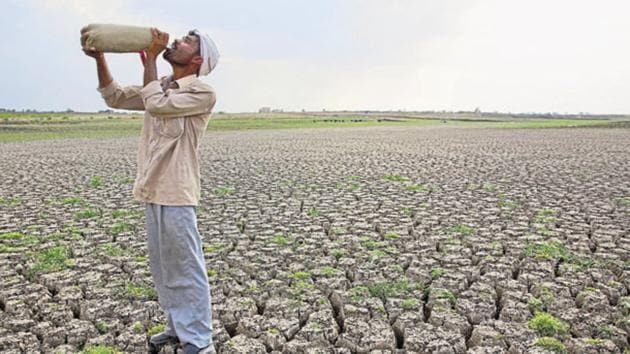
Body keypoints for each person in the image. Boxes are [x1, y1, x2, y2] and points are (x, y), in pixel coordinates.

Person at [82, 27, 219, 354]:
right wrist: (100, 57)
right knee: (164, 267)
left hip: (177, 191)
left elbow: (156, 105)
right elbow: (114, 96)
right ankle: (177, 328)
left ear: (197, 58)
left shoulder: (201, 92)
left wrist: (153, 58)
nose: (177, 41)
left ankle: (200, 343)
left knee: (186, 267)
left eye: (187, 41)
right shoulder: (161, 86)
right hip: (153, 188)